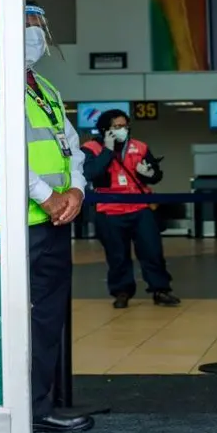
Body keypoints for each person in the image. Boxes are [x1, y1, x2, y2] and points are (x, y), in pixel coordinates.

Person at [24, 1, 94, 433]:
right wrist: (46, 196)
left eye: (39, 26)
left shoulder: (44, 88)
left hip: (53, 224)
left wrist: (76, 191)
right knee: (15, 319)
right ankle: (11, 409)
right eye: (28, 26)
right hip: (20, 225)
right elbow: (2, 151)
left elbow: (73, 148)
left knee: (48, 318)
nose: (36, 34)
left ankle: (37, 406)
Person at [81, 109, 180, 308]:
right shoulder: (91, 148)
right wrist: (108, 151)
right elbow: (90, 172)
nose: (122, 130)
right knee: (117, 255)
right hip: (109, 210)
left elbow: (156, 175)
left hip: (139, 207)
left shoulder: (139, 147)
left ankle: (160, 290)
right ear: (104, 129)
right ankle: (122, 291)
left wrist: (149, 172)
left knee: (152, 251)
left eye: (124, 126)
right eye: (116, 126)